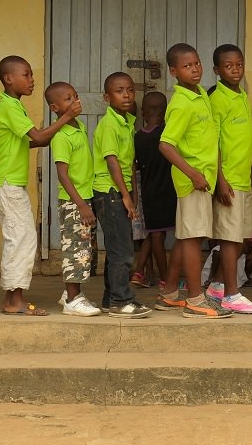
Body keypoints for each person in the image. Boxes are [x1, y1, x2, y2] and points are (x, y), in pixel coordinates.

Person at [0, 56, 80, 316]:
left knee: (21, 239)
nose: (32, 80)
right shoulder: (9, 106)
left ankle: (13, 298)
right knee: (21, 239)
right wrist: (65, 117)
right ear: (9, 78)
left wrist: (64, 133)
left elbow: (35, 142)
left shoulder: (14, 106)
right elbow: (38, 136)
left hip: (9, 183)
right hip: (6, 183)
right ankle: (13, 301)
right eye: (26, 75)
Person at [153, 43, 232, 319]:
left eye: (197, 63)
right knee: (191, 240)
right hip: (192, 182)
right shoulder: (182, 104)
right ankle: (196, 299)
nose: (195, 69)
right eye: (187, 66)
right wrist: (193, 173)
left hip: (203, 180)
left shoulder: (200, 95)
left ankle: (171, 293)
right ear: (174, 72)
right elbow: (166, 144)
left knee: (189, 236)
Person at [90, 72, 153, 318]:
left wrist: (132, 195)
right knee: (122, 251)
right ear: (107, 97)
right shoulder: (109, 124)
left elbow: (130, 165)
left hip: (119, 191)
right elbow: (112, 162)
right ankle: (121, 300)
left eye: (129, 90)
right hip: (110, 191)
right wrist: (126, 196)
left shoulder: (126, 121)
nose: (126, 95)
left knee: (118, 247)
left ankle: (110, 298)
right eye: (119, 91)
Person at [204, 44, 252, 314]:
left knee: (239, 239)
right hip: (228, 180)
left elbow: (242, 140)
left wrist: (250, 173)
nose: (235, 69)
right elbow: (212, 142)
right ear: (217, 70)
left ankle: (217, 284)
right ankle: (231, 293)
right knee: (228, 238)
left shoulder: (241, 96)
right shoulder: (217, 100)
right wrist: (219, 180)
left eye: (239, 64)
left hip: (242, 178)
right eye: (228, 65)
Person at [45, 82, 100, 317]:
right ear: (55, 107)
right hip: (73, 202)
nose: (75, 101)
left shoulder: (77, 128)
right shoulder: (61, 136)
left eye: (75, 96)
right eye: (68, 99)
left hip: (84, 198)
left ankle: (73, 294)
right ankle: (72, 298)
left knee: (84, 250)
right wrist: (80, 204)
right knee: (75, 249)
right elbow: (63, 174)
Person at [134, 92, 173, 291]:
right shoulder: (166, 135)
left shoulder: (138, 137)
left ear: (143, 112)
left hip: (147, 192)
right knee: (158, 236)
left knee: (152, 233)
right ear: (166, 112)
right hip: (166, 192)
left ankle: (140, 271)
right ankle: (165, 277)